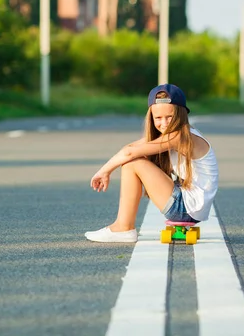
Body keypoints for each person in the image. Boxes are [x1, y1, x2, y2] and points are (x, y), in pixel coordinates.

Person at [85, 84, 219, 243]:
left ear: (181, 114)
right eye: (158, 118)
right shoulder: (175, 135)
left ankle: (123, 227)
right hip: (190, 207)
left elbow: (129, 153)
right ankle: (123, 227)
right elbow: (130, 147)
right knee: (131, 159)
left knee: (132, 162)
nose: (164, 123)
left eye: (169, 117)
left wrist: (104, 171)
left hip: (186, 208)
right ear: (151, 118)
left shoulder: (181, 137)